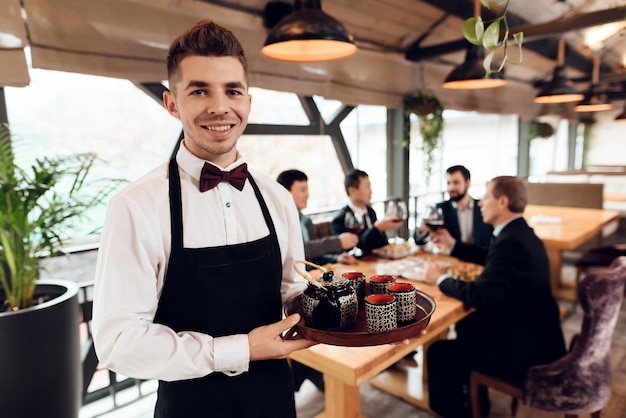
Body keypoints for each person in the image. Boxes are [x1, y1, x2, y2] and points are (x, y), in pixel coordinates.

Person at [92, 20, 316, 418]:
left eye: (232, 90)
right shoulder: (136, 206)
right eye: (199, 91)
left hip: (276, 403)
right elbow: (118, 341)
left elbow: (291, 292)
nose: (219, 106)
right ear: (172, 103)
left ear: (248, 101)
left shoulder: (278, 199)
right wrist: (240, 349)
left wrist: (356, 317)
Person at [424, 176, 566, 418]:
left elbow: (479, 295)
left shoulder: (511, 243)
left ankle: (456, 412)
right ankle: (476, 403)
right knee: (466, 323)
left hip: (527, 351)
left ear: (502, 202)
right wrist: (453, 245)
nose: (480, 203)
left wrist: (439, 280)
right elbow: (490, 257)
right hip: (536, 333)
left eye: (486, 197)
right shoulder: (518, 232)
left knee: (438, 353)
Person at [277, 169, 358, 266]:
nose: (307, 194)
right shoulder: (279, 222)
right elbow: (296, 250)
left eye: (307, 189)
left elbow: (313, 257)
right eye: (303, 190)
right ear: (285, 193)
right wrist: (337, 242)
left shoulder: (306, 221)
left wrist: (337, 258)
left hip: (311, 277)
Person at [415, 165, 493, 254]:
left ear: (468, 183)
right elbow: (419, 241)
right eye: (448, 183)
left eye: (456, 183)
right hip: (451, 263)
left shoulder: (483, 208)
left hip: (478, 261)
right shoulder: (441, 208)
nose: (451, 188)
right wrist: (421, 230)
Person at [330, 169, 403, 255]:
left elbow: (383, 244)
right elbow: (355, 249)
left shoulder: (370, 211)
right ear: (352, 191)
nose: (371, 191)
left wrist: (383, 228)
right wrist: (377, 228)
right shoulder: (340, 219)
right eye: (367, 187)